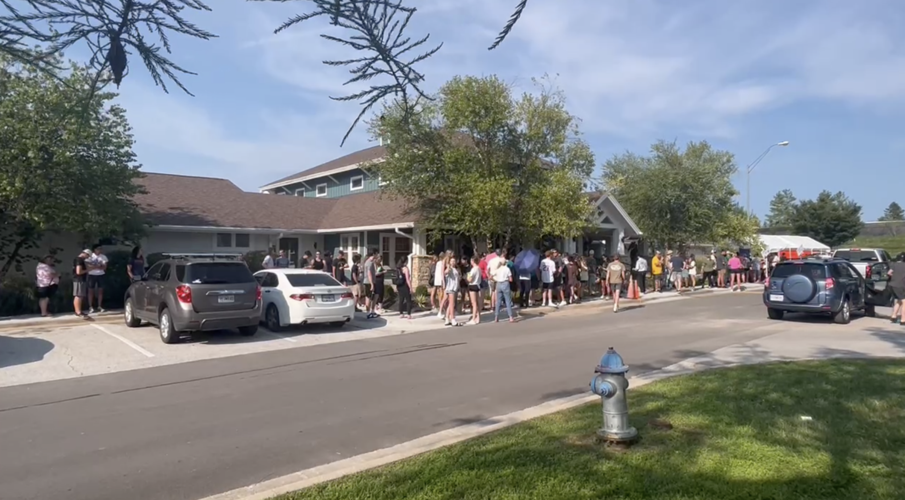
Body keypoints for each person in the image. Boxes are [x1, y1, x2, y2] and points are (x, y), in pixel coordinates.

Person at [492, 253, 515, 322]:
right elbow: (510, 279)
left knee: (498, 301)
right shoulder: (507, 269)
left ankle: (496, 317)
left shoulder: (498, 269)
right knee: (508, 301)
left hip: (498, 284)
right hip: (505, 283)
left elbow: (491, 276)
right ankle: (510, 317)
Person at [86, 244, 108, 313]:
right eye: (98, 249)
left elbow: (104, 267)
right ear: (94, 249)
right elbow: (88, 266)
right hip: (91, 275)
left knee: (100, 291)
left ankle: (99, 306)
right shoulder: (90, 256)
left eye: (100, 249)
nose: (100, 250)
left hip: (101, 274)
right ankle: (90, 306)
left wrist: (94, 266)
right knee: (90, 291)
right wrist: (98, 266)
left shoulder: (103, 257)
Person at [443, 252, 462, 327]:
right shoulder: (450, 269)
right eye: (452, 261)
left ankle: (447, 319)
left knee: (450, 304)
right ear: (449, 262)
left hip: (455, 288)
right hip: (450, 288)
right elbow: (445, 273)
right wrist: (448, 267)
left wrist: (459, 289)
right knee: (452, 304)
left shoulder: (455, 269)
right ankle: (453, 319)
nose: (453, 262)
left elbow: (457, 280)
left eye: (454, 261)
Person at [888, 252, 905, 325]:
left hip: (892, 285)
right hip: (900, 286)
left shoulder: (894, 265)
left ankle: (893, 316)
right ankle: (903, 320)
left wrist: (895, 276)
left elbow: (889, 273)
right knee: (904, 302)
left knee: (899, 300)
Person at [72, 249, 90, 318]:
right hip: (79, 279)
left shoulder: (78, 259)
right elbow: (78, 272)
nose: (87, 258)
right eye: (87, 256)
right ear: (85, 254)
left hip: (79, 279)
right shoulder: (79, 260)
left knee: (80, 295)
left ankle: (78, 310)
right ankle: (78, 311)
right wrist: (87, 270)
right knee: (78, 295)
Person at [467, 255, 483, 325]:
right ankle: (478, 317)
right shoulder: (479, 268)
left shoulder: (473, 269)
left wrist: (467, 277)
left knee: (474, 303)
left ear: (473, 261)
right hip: (478, 285)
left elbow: (470, 279)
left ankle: (473, 318)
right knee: (477, 302)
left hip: (473, 285)